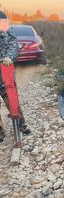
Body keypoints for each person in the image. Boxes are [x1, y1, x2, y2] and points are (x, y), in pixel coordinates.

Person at [0, 11, 30, 143]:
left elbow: (14, 47)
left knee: (12, 102)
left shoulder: (7, 33)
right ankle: (0, 132)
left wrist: (9, 56)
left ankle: (21, 125)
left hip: (4, 76)